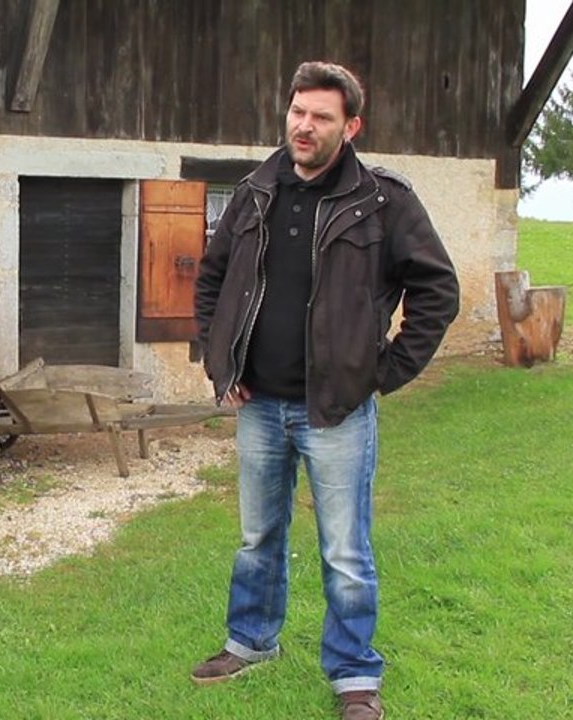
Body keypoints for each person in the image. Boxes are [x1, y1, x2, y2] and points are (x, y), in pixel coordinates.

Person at [191, 61, 459, 720]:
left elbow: (436, 289)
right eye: (297, 112)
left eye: (320, 117)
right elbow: (212, 277)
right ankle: (250, 642)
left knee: (344, 550)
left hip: (334, 409)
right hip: (257, 403)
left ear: (351, 125)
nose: (303, 127)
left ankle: (353, 676)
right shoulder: (256, 189)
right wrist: (219, 363)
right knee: (257, 537)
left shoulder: (383, 200)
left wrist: (384, 371)